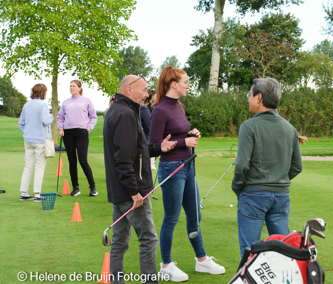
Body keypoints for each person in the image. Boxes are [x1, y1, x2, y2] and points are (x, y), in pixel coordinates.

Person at [150, 66, 225, 282]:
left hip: (188, 166)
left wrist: (191, 133)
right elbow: (154, 145)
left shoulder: (179, 106)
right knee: (171, 218)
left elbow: (178, 132)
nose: (188, 85)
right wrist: (184, 141)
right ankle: (165, 265)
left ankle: (201, 261)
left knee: (195, 215)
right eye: (185, 82)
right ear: (174, 84)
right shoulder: (160, 110)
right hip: (172, 169)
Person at [103, 75, 177, 284]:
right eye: (144, 90)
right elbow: (123, 159)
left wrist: (158, 148)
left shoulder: (118, 110)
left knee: (120, 241)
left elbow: (136, 149)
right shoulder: (125, 113)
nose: (147, 95)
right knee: (148, 240)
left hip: (120, 190)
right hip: (131, 192)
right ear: (129, 89)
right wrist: (135, 192)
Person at [232, 77, 303, 258]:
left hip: (253, 194)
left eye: (249, 94)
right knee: (283, 252)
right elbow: (297, 167)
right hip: (281, 196)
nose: (248, 98)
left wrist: (238, 186)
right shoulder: (290, 128)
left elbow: (241, 165)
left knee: (249, 252)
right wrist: (279, 179)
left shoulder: (248, 126)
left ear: (259, 97)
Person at [57, 80, 98, 197]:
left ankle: (93, 188)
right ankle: (76, 188)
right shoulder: (65, 102)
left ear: (79, 88)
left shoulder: (86, 101)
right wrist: (61, 128)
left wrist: (89, 128)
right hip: (68, 133)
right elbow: (60, 117)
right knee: (72, 161)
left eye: (74, 86)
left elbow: (93, 117)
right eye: (70, 86)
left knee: (83, 161)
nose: (71, 88)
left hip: (81, 133)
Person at [18, 83, 54, 202]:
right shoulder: (42, 104)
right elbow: (46, 120)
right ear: (42, 93)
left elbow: (21, 123)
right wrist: (51, 117)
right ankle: (37, 195)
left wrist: (28, 132)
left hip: (28, 140)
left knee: (28, 166)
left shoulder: (26, 105)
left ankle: (24, 193)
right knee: (39, 166)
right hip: (40, 141)